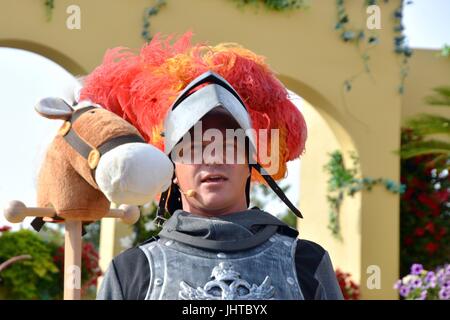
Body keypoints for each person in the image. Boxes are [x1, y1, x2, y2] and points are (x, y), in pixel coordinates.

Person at [80, 33, 343, 300]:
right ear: (172, 171)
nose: (213, 159)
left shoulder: (307, 264)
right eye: (194, 148)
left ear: (249, 164)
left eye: (228, 146)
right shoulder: (132, 272)